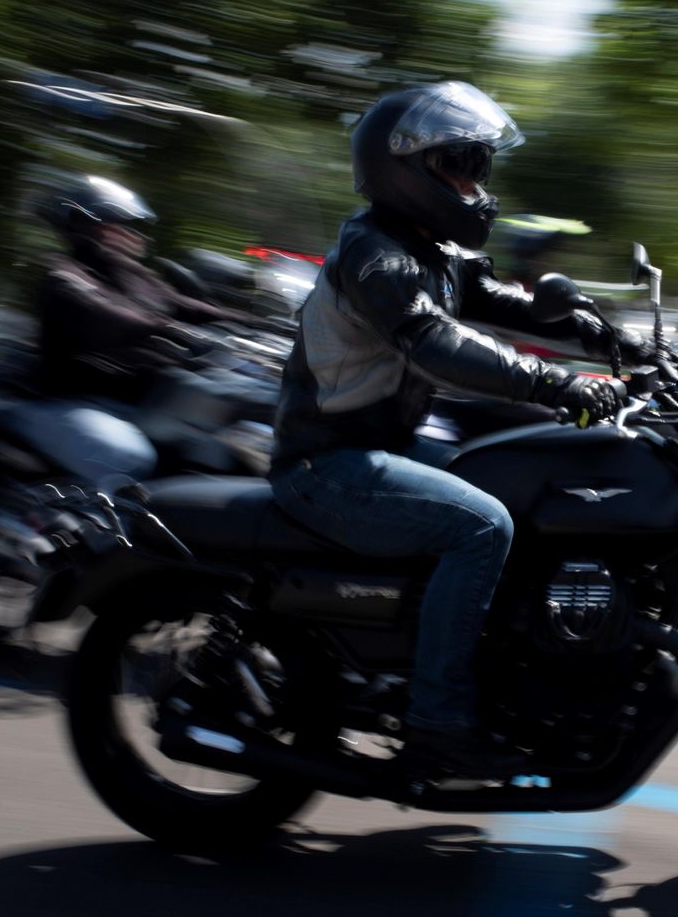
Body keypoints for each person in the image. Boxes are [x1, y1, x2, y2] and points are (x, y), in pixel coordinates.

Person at [270, 80, 653, 776]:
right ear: (405, 168)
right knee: (482, 525)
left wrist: (616, 343)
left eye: (478, 167)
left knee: (525, 487)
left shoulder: (432, 249)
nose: (474, 185)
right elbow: (435, 340)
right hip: (327, 464)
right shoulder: (375, 254)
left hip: (383, 447)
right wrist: (555, 384)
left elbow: (517, 305)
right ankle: (437, 722)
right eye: (459, 166)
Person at [12, 174, 256, 480]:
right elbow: (100, 314)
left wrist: (256, 323)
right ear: (88, 227)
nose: (134, 235)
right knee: (127, 458)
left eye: (133, 227)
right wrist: (166, 329)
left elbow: (184, 305)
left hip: (140, 399)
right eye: (120, 224)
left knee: (214, 441)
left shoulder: (132, 273)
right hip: (78, 401)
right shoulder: (64, 275)